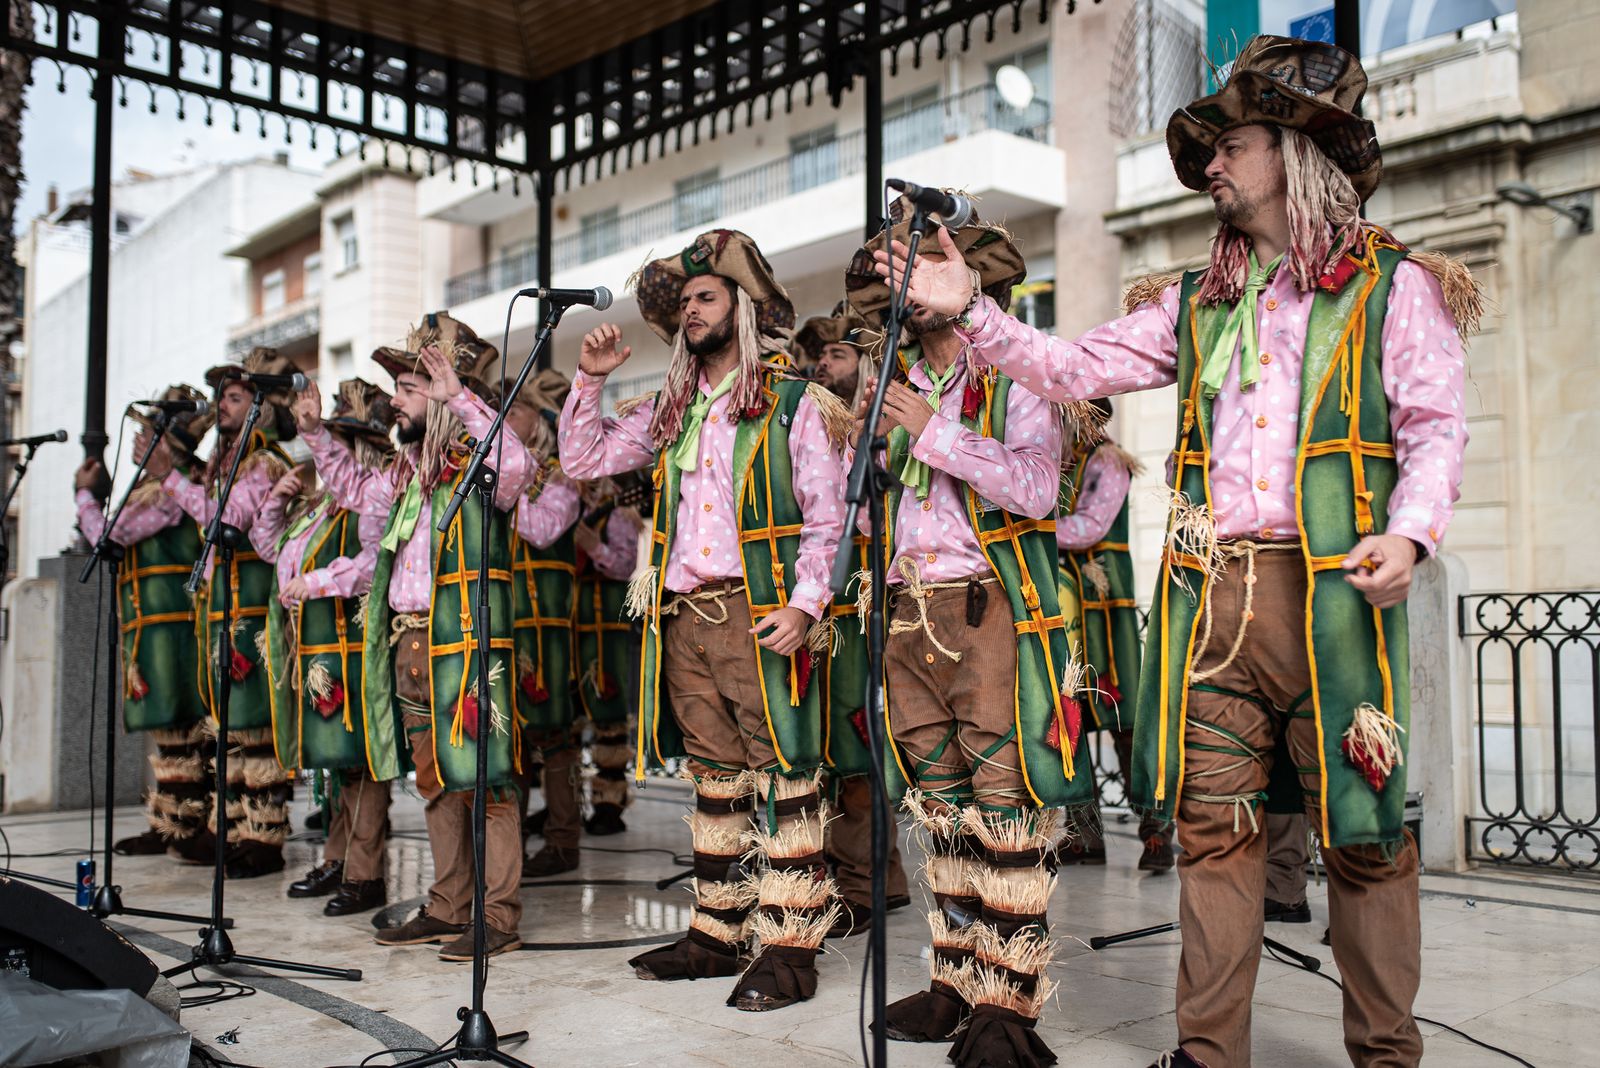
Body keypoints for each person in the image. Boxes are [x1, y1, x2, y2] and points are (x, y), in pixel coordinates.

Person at [870, 36, 1477, 1068]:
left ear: (1296, 152)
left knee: (1365, 836)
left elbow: (1433, 425)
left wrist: (1409, 534)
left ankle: (1385, 1054)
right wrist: (966, 306)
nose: (1211, 167)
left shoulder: (1394, 285)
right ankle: (1206, 1054)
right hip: (1210, 600)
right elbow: (1069, 366)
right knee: (1211, 829)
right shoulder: (1194, 300)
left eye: (1231, 145)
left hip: (1333, 591)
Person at [558, 229, 851, 1012]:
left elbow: (830, 521)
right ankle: (717, 933)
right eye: (683, 301)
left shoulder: (795, 402)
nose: (689, 309)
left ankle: (791, 951)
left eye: (705, 296)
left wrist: (804, 605)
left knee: (789, 780)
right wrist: (587, 382)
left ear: (743, 308)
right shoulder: (673, 407)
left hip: (759, 617)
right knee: (716, 783)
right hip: (685, 618)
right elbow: (584, 461)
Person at [841, 194, 1094, 1067]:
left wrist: (935, 434)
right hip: (908, 614)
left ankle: (1006, 1002)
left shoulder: (1022, 378)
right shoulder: (899, 386)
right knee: (938, 810)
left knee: (1004, 809)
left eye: (918, 274)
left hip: (990, 607)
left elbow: (1035, 491)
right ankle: (953, 979)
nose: (904, 294)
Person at [303, 316, 537, 961]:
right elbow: (352, 490)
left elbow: (520, 465)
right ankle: (448, 904)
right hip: (410, 644)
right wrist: (315, 435)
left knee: (485, 779)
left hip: (462, 643)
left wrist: (459, 399)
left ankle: (497, 914)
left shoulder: (476, 461)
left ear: (440, 392)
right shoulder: (408, 472)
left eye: (407, 387)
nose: (394, 402)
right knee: (436, 781)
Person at [144, 348, 300, 879]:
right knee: (227, 725)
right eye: (223, 397)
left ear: (261, 408)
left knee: (253, 723)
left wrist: (172, 479)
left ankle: (264, 834)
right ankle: (228, 825)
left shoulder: (264, 462)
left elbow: (227, 518)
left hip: (252, 612)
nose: (223, 407)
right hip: (222, 607)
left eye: (236, 398)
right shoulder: (224, 462)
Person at [254, 378, 397, 916]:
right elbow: (270, 550)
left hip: (355, 645)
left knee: (360, 762)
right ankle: (338, 859)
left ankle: (364, 873)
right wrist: (277, 502)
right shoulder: (321, 507)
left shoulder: (370, 499)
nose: (327, 455)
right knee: (338, 765)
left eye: (338, 442)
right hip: (320, 653)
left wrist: (316, 584)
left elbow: (370, 568)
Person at [794, 300, 912, 936]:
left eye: (837, 353)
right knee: (831, 748)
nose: (823, 364)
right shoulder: (817, 418)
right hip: (823, 599)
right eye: (821, 355)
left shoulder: (880, 417)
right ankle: (863, 878)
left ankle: (866, 885)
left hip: (863, 598)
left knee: (856, 740)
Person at [74, 386, 213, 860]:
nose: (137, 441)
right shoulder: (158, 486)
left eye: (147, 434)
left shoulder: (176, 487)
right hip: (152, 625)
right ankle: (171, 821)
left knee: (183, 725)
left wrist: (84, 496)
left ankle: (186, 824)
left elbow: (109, 536)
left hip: (174, 626)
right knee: (169, 729)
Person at [1053, 398, 1174, 873]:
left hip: (1106, 607)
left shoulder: (1108, 460)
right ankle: (1085, 835)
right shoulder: (1058, 462)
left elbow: (1089, 527)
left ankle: (1156, 830)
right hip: (1071, 607)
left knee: (1125, 720)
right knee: (1071, 718)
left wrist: (1028, 527)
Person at [499, 370, 584, 878]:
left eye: (515, 411)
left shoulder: (561, 475)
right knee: (509, 736)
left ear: (540, 420)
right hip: (507, 623)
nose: (505, 421)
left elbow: (542, 528)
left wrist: (508, 491)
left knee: (554, 735)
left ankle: (563, 838)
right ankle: (511, 840)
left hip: (547, 630)